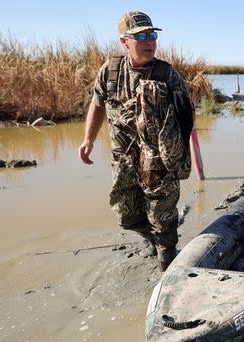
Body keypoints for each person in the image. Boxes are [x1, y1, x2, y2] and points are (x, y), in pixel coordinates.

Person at [78, 11, 194, 271]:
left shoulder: (166, 74)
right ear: (124, 41)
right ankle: (152, 240)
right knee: (126, 214)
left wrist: (177, 157)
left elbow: (187, 115)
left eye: (152, 35)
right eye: (140, 36)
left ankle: (167, 266)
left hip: (158, 161)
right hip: (124, 158)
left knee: (162, 218)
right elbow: (97, 104)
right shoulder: (110, 70)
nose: (149, 41)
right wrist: (88, 139)